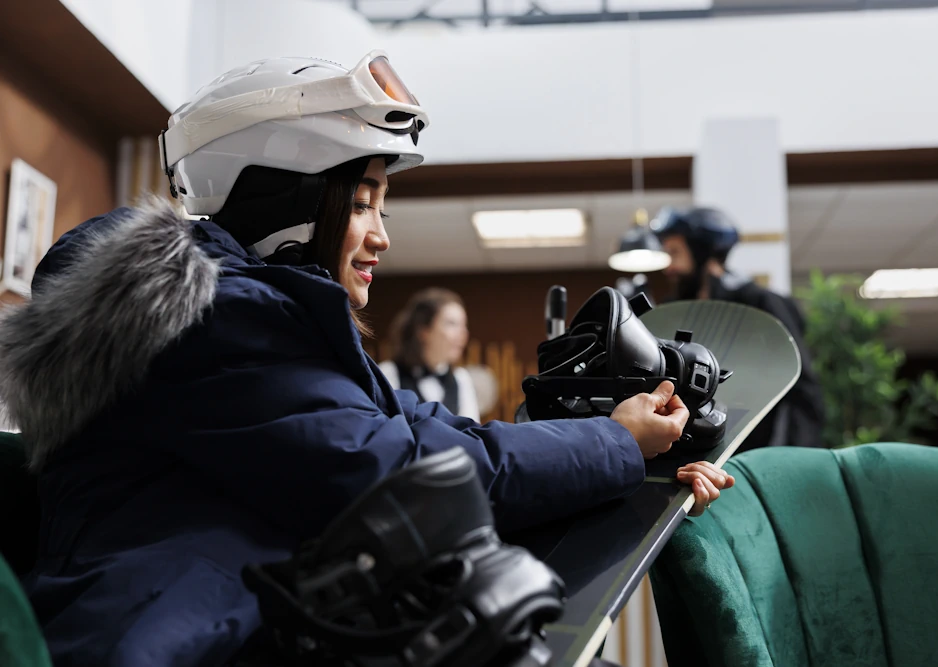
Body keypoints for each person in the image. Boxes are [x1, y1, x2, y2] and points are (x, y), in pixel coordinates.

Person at [0, 53, 735, 667]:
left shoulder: (274, 325)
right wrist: (614, 442)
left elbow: (431, 434)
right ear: (284, 195)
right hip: (181, 642)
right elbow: (399, 471)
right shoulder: (211, 321)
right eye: (362, 201)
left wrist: (628, 456)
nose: (382, 235)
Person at [651, 206, 826, 451]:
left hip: (757, 451)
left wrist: (787, 457)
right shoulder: (675, 310)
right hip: (694, 451)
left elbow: (801, 389)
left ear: (701, 252)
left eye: (675, 252)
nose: (669, 267)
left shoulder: (760, 303)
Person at [378, 287, 480, 421]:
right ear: (423, 331)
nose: (463, 334)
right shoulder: (388, 374)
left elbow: (471, 434)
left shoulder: (461, 379)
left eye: (463, 325)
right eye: (452, 324)